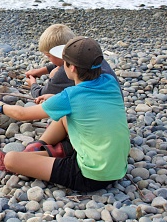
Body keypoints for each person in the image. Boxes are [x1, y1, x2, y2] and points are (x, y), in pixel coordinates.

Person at [0, 37, 130, 192]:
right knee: (64, 114)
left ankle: (43, 157)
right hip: (118, 166)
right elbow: (85, 103)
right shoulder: (109, 81)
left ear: (72, 68)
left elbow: (22, 114)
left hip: (91, 176)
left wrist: (1, 107)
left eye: (64, 63)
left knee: (11, 159)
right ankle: (43, 147)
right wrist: (53, 99)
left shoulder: (70, 96)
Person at [24, 24, 120, 153]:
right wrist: (42, 71)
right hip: (111, 118)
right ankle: (45, 145)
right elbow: (60, 64)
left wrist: (33, 83)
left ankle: (64, 147)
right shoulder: (91, 58)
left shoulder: (66, 77)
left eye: (48, 56)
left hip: (92, 131)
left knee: (64, 111)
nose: (49, 60)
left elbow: (39, 95)